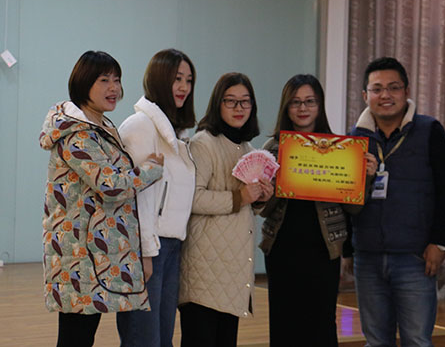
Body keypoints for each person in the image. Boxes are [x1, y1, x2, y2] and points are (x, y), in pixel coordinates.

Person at [39, 50, 164, 347]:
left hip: (91, 253)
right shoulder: (76, 134)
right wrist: (151, 170)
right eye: (104, 80)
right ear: (84, 83)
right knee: (76, 337)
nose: (114, 88)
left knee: (81, 336)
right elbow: (111, 185)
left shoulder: (100, 127)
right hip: (78, 256)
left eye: (117, 80)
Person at [347, 56, 445, 347]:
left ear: (406, 91)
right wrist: (348, 249)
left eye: (393, 87)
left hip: (415, 257)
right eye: (377, 89)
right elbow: (345, 198)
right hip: (368, 256)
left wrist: (440, 243)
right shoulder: (354, 138)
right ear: (365, 95)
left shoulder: (430, 130)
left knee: (417, 340)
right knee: (375, 341)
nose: (385, 95)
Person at [259, 74, 372, 347]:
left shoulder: (341, 149)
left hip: (324, 249)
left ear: (319, 105)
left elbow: (353, 208)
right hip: (282, 249)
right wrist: (276, 183)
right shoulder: (272, 148)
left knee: (321, 325)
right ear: (286, 107)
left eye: (310, 101)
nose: (303, 108)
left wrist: (364, 177)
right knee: (284, 324)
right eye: (295, 102)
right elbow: (262, 209)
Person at [178, 72, 274, 347]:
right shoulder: (203, 143)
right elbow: (192, 199)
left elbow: (246, 205)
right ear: (217, 104)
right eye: (230, 101)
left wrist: (260, 198)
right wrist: (240, 196)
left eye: (245, 101)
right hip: (204, 272)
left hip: (232, 273)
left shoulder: (247, 148)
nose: (238, 108)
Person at [118, 49, 197, 347]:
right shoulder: (140, 126)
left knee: (163, 338)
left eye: (188, 80)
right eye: (177, 79)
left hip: (171, 245)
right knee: (143, 339)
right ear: (159, 79)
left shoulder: (176, 132)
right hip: (148, 249)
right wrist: (146, 252)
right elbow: (136, 197)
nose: (184, 87)